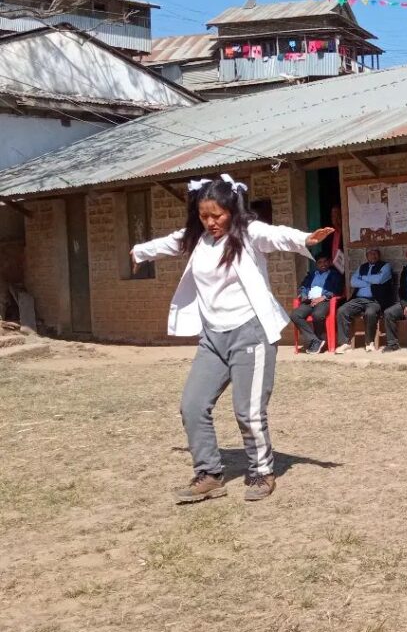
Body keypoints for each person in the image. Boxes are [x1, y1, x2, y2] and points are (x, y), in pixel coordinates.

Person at [130, 174, 333, 503]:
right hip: (212, 337)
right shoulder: (198, 238)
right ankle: (209, 474)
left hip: (249, 333)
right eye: (203, 215)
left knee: (248, 411)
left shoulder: (248, 233)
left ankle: (261, 472)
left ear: (232, 211)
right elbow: (168, 243)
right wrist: (139, 252)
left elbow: (276, 235)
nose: (210, 222)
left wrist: (306, 238)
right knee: (192, 405)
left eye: (217, 215)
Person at [335, 247, 392, 353]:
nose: (373, 256)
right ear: (366, 256)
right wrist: (371, 281)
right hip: (358, 299)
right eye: (371, 254)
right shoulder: (362, 267)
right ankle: (344, 343)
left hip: (375, 300)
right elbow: (353, 282)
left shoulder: (385, 266)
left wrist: (362, 278)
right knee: (342, 310)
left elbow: (379, 279)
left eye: (375, 253)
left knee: (370, 313)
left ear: (379, 255)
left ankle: (369, 342)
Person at [291, 252, 344, 354]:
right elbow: (303, 287)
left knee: (318, 314)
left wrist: (323, 297)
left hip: (323, 300)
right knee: (295, 315)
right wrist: (303, 295)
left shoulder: (335, 275)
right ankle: (314, 339)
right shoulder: (311, 275)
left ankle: (318, 339)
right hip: (309, 301)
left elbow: (338, 290)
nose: (323, 264)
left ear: (329, 262)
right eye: (320, 262)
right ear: (316, 264)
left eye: (325, 261)